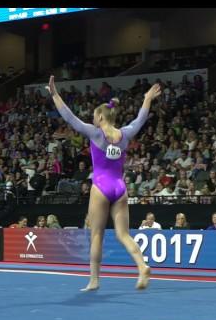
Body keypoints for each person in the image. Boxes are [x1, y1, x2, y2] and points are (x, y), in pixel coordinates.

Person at [47, 75, 161, 291]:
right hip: (120, 187)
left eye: (94, 116)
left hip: (101, 186)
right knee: (123, 234)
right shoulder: (124, 134)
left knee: (96, 234)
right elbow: (140, 119)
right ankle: (142, 265)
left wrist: (54, 94)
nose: (92, 118)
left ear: (100, 116)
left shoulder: (95, 133)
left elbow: (70, 118)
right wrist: (147, 99)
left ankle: (94, 280)